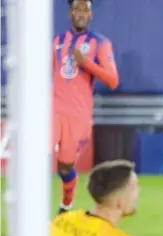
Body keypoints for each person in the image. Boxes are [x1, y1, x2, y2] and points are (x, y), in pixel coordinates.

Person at [53, 0, 119, 215]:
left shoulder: (100, 43)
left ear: (90, 15)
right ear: (69, 13)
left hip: (78, 116)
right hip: (52, 111)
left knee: (65, 166)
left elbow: (112, 81)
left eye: (85, 10)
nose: (80, 13)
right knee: (34, 157)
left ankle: (66, 205)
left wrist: (87, 64)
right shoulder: (56, 41)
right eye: (76, 9)